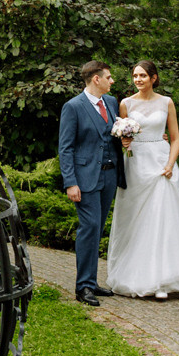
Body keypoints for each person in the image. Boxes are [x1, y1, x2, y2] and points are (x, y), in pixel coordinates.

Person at [101, 59, 179, 300]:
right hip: (136, 165)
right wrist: (124, 141)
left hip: (161, 163)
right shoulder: (125, 104)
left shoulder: (166, 102)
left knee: (162, 219)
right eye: (135, 76)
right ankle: (136, 275)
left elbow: (176, 137)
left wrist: (170, 164)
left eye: (142, 76)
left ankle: (163, 280)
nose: (138, 80)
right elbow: (120, 137)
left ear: (153, 78)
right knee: (136, 221)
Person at [56, 60, 125, 308]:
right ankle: (83, 286)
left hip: (109, 176)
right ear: (96, 79)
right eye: (109, 76)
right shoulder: (73, 107)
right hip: (84, 179)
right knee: (90, 227)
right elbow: (65, 148)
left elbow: (114, 136)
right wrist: (70, 182)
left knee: (97, 229)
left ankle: (92, 282)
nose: (112, 80)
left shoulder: (112, 102)